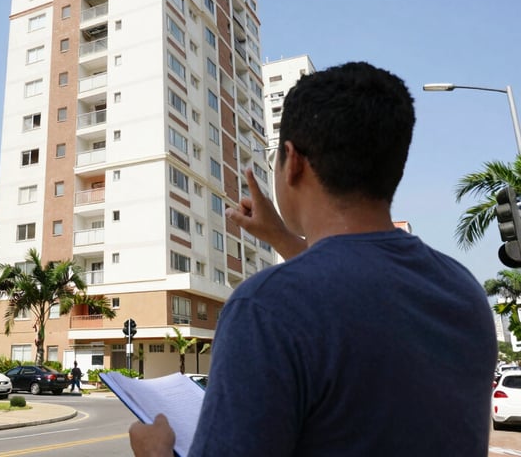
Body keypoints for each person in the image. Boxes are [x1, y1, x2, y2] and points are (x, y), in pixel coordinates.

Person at [129, 62, 497, 456]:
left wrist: (155, 453)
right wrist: (284, 239)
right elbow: (362, 288)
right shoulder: (462, 292)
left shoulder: (265, 308)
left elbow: (333, 294)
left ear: (294, 161)